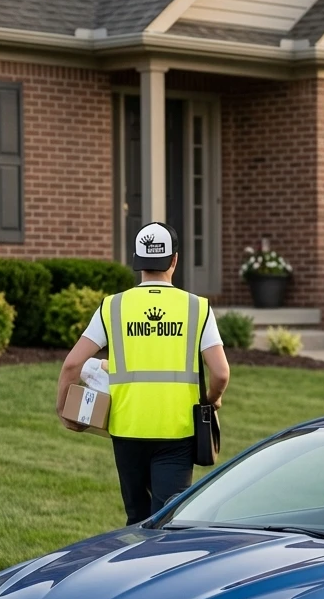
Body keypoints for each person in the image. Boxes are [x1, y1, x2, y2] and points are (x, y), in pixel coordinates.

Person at [56, 223, 230, 524]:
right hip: (177, 432)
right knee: (167, 521)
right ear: (174, 260)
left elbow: (72, 364)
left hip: (127, 429)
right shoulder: (197, 308)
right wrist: (213, 399)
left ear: (136, 261)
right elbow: (221, 373)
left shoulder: (113, 306)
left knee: (136, 517)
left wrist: (64, 409)